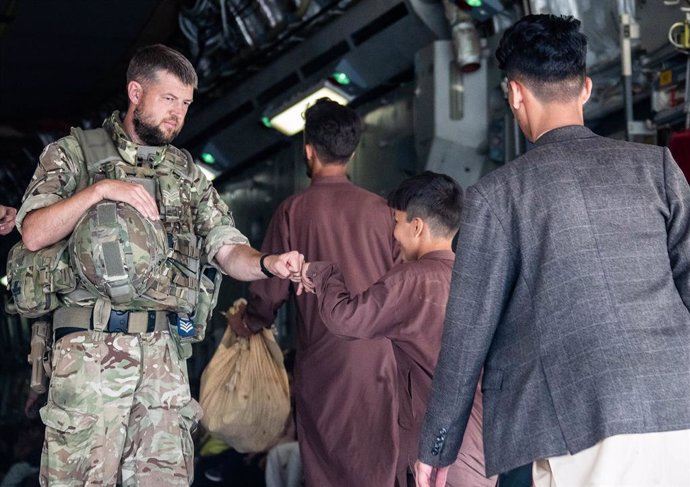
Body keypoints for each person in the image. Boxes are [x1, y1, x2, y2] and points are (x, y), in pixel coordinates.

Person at [415, 14, 690, 487]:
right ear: (585, 88)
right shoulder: (655, 168)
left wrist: (438, 448)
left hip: (576, 425)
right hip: (677, 406)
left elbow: (466, 336)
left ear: (515, 94)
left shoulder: (497, 195)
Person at [15, 44, 304, 487]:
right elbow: (33, 232)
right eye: (169, 100)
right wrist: (100, 190)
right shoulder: (73, 154)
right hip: (91, 354)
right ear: (136, 92)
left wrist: (267, 264)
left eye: (186, 104)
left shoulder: (187, 175)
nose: (178, 115)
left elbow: (225, 248)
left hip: (164, 356)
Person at [228, 98, 401, 487]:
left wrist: (249, 321)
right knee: (378, 467)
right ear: (353, 150)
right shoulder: (384, 212)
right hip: (381, 365)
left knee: (327, 472)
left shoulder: (293, 211)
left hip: (324, 366)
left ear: (308, 150)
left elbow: (269, 292)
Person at [300, 171, 495, 487]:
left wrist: (323, 274)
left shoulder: (413, 280)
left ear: (416, 226)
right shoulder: (480, 280)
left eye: (396, 222)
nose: (394, 233)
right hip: (484, 451)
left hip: (438, 457)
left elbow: (345, 317)